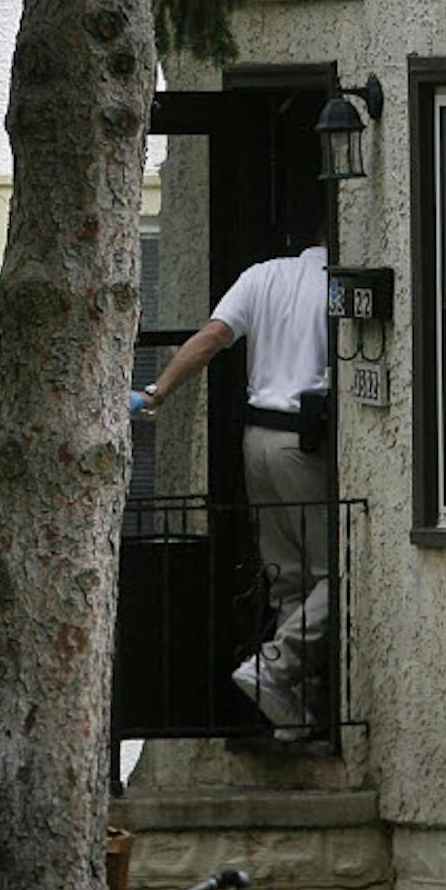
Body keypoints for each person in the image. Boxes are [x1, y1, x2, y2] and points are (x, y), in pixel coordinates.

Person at [127, 201, 332, 740]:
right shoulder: (337, 282)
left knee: (289, 575)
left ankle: (291, 710)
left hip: (256, 439)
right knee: (341, 573)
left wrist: (156, 391)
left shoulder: (262, 276)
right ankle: (276, 667)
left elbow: (212, 337)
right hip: (305, 445)